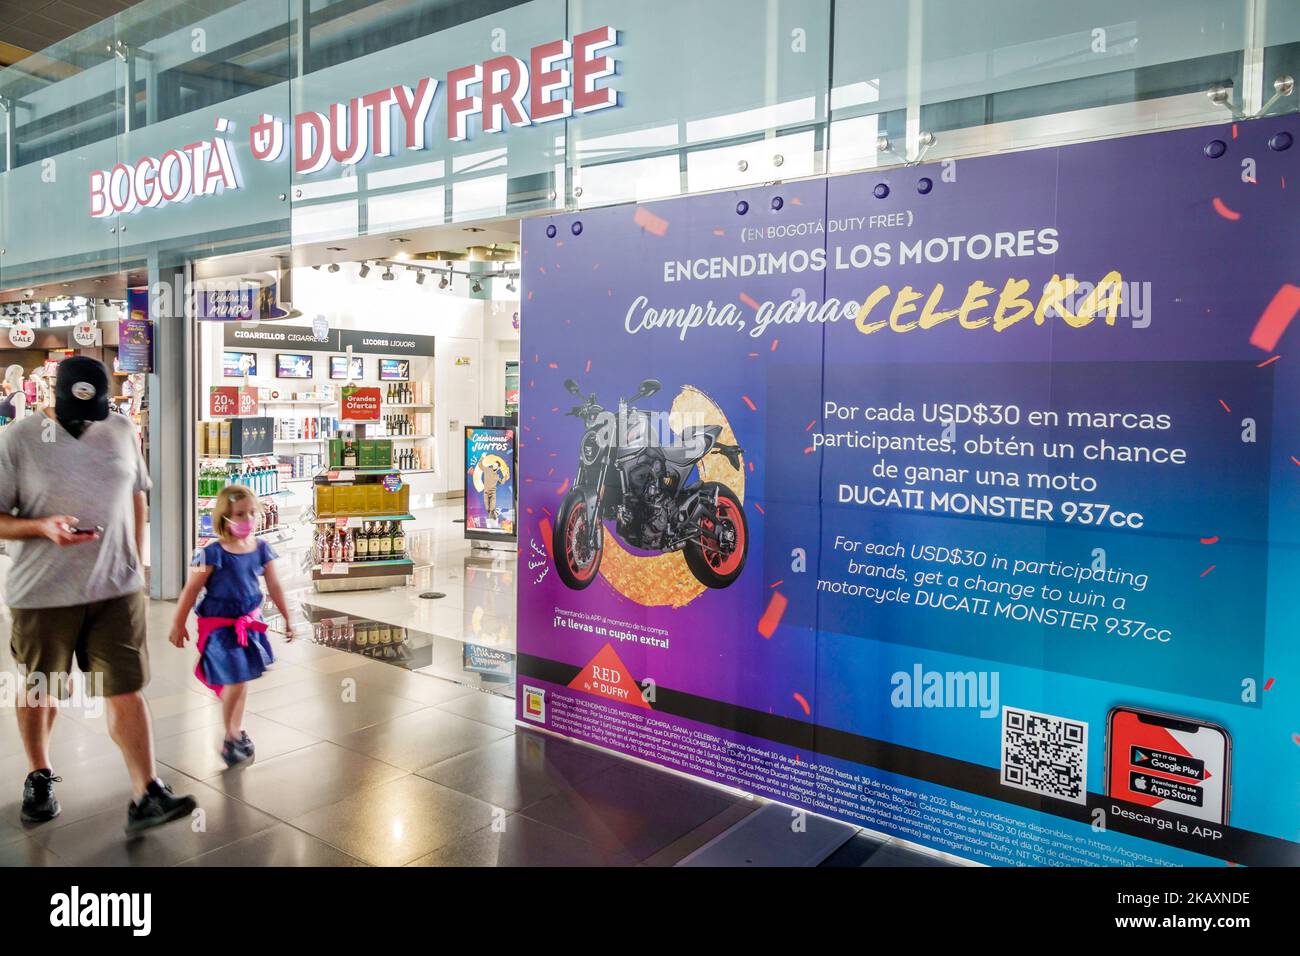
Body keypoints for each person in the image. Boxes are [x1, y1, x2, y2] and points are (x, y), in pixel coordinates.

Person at [0, 356, 197, 832]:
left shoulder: (123, 427)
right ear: (54, 396)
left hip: (116, 589)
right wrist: (40, 527)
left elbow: (137, 494)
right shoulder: (17, 439)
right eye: (77, 410)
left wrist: (135, 557)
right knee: (42, 687)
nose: (89, 421)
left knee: (125, 686)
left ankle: (146, 792)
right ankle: (39, 774)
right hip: (42, 593)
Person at [169, 484, 292, 766]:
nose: (247, 520)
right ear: (224, 517)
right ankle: (230, 736)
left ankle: (236, 729)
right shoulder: (210, 553)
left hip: (249, 624)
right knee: (235, 681)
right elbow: (190, 589)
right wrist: (178, 623)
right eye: (239, 514)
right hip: (220, 628)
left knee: (242, 679)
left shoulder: (262, 548)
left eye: (252, 513)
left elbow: (273, 585)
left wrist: (286, 616)